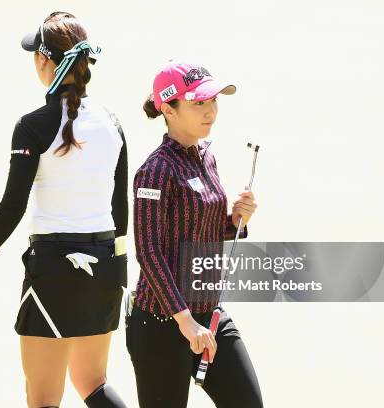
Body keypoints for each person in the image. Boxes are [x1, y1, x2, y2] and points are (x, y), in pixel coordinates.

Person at [0, 11, 128, 408]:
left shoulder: (32, 125)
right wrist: (117, 267)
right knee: (93, 383)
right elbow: (120, 208)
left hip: (53, 269)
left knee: (44, 399)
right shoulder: (113, 122)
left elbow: (13, 204)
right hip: (104, 266)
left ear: (45, 61)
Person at [126, 61, 263, 407]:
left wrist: (236, 220)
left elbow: (202, 229)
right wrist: (185, 322)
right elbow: (149, 252)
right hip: (161, 324)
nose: (210, 111)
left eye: (212, 101)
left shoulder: (207, 156)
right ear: (169, 110)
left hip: (209, 316)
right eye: (198, 104)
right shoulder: (154, 171)